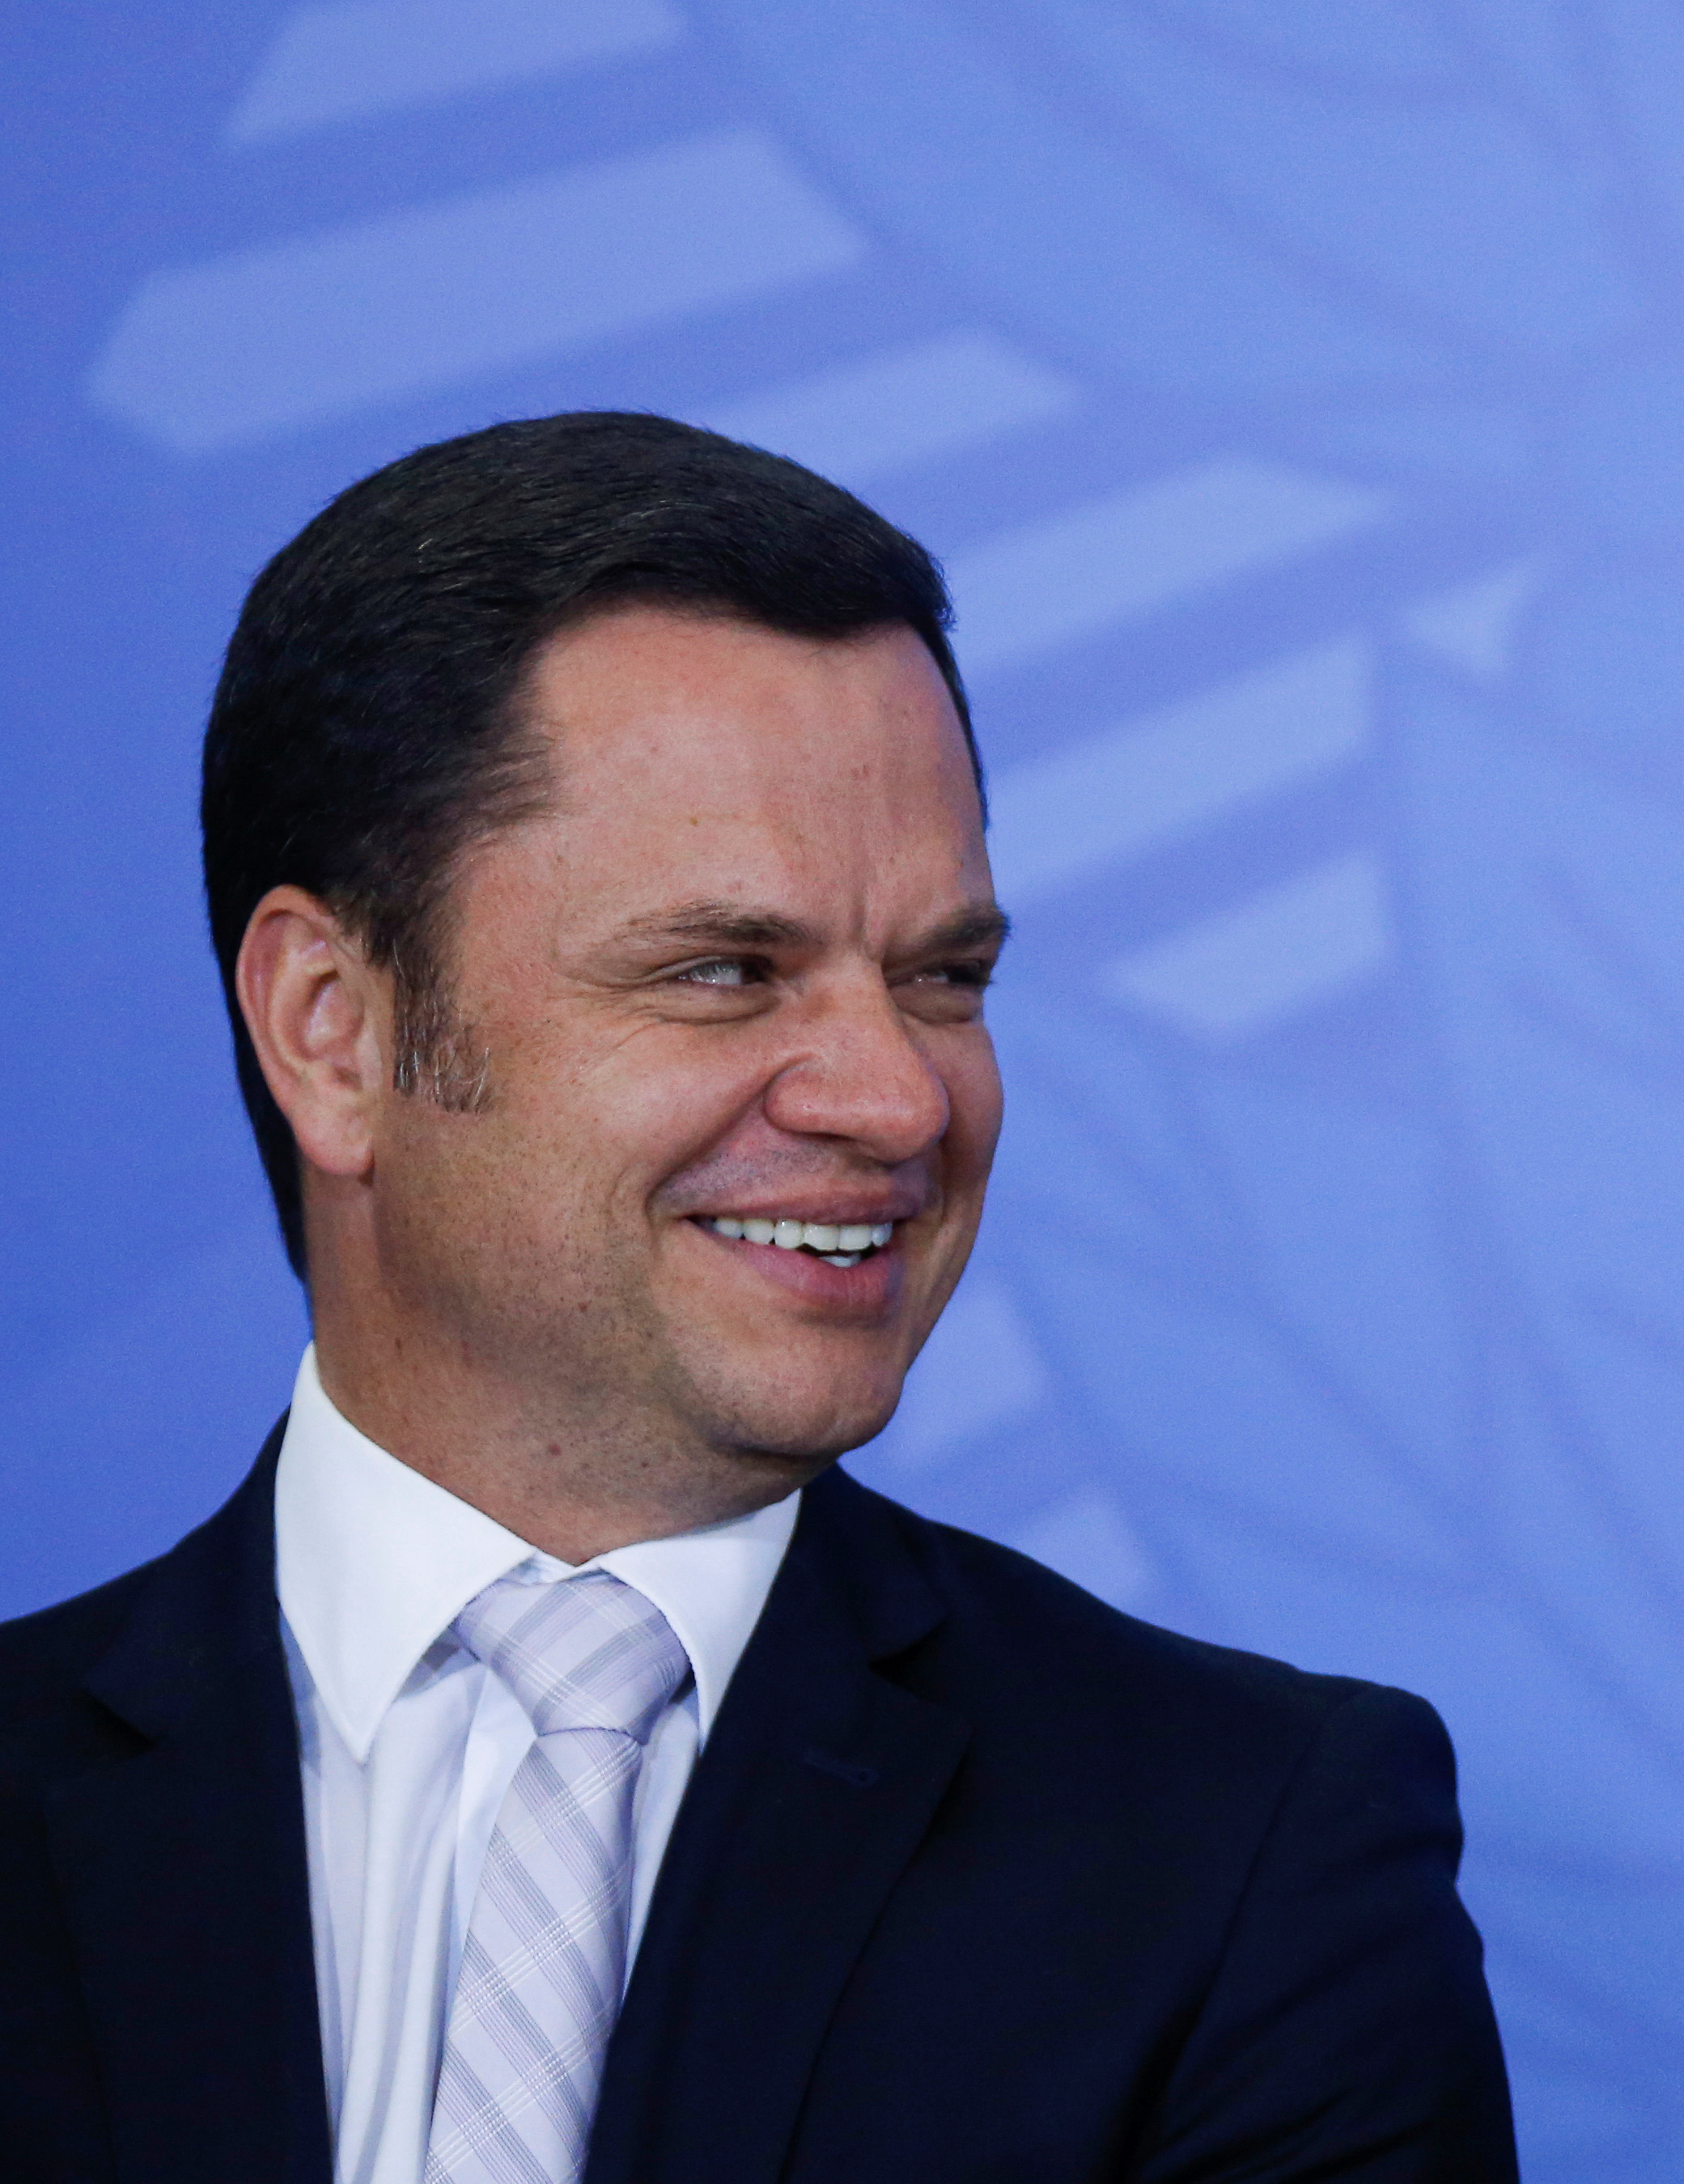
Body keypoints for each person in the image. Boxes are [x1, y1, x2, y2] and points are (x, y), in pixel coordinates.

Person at [0, 415, 1516, 2182]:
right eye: (723, 971)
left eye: (943, 978)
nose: (896, 1099)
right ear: (332, 1028)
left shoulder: (1245, 1852)